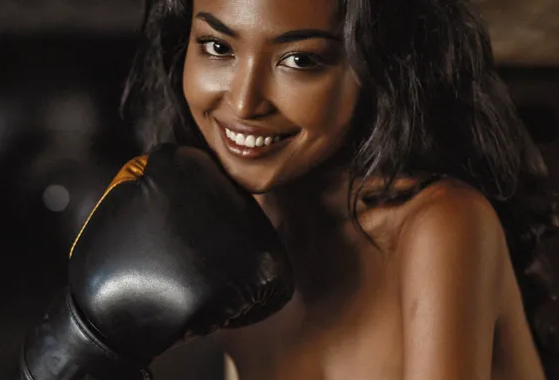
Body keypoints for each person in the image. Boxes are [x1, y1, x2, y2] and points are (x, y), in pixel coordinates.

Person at [117, 0, 559, 379]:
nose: (244, 103)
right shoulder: (226, 229)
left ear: (376, 63)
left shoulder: (439, 225)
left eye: (300, 60)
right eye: (218, 47)